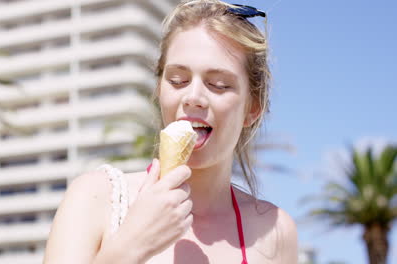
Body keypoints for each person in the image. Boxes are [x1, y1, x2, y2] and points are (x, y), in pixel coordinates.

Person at [43, 0, 298, 263]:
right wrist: (130, 246)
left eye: (218, 84)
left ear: (252, 108)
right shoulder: (95, 197)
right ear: (159, 89)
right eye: (178, 80)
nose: (193, 96)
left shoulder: (275, 230)